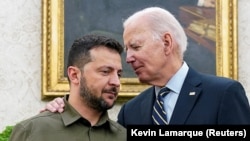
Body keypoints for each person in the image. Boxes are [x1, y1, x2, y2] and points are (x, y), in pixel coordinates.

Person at [42, 7, 250, 126]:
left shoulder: (223, 94)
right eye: (127, 50)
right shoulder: (131, 112)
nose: (129, 58)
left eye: (135, 47)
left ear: (167, 43)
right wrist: (64, 108)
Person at [9, 35, 126, 141]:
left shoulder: (123, 136)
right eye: (105, 72)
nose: (116, 82)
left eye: (119, 74)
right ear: (74, 75)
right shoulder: (32, 132)